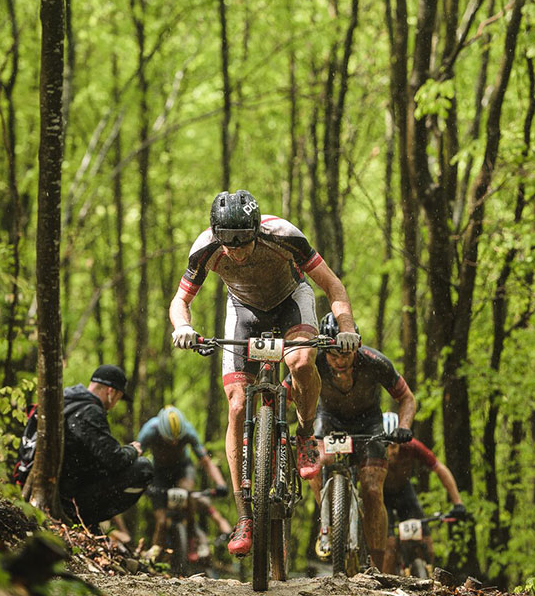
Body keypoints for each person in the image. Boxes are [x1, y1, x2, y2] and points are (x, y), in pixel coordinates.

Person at [168, 189, 361, 557]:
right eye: (228, 241)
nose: (236, 250)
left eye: (244, 240)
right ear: (216, 233)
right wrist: (183, 327)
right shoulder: (206, 247)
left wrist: (347, 327)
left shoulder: (284, 236)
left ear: (258, 230)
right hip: (243, 311)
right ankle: (244, 514)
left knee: (301, 362)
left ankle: (305, 435)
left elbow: (333, 286)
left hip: (291, 301)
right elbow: (181, 300)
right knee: (238, 404)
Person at [292, 313, 416, 571]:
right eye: (333, 355)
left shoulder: (375, 362)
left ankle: (378, 566)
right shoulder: (314, 362)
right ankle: (326, 522)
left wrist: (403, 428)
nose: (338, 362)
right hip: (329, 420)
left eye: (345, 356)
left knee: (372, 489)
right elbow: (288, 391)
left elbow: (407, 398)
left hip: (368, 423)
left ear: (356, 348)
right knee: (313, 462)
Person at [59, 364, 153, 530]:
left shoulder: (67, 402)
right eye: (119, 397)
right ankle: (85, 520)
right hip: (68, 498)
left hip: (62, 487)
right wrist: (133, 450)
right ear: (111, 392)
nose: (116, 404)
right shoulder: (89, 411)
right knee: (143, 468)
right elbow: (115, 459)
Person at [380, 411, 467, 574]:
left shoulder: (411, 446)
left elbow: (439, 468)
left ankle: (427, 575)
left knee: (425, 541)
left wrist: (458, 502)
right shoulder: (374, 451)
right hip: (382, 495)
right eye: (389, 446)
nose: (394, 451)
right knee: (389, 545)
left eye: (396, 445)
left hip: (404, 491)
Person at [136, 405, 233, 552]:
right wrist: (139, 483)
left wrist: (220, 483)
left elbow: (206, 461)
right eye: (170, 440)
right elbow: (136, 457)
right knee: (161, 522)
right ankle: (156, 555)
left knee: (186, 492)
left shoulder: (188, 431)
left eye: (177, 440)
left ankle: (193, 533)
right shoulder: (149, 430)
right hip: (159, 472)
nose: (174, 443)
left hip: (183, 469)